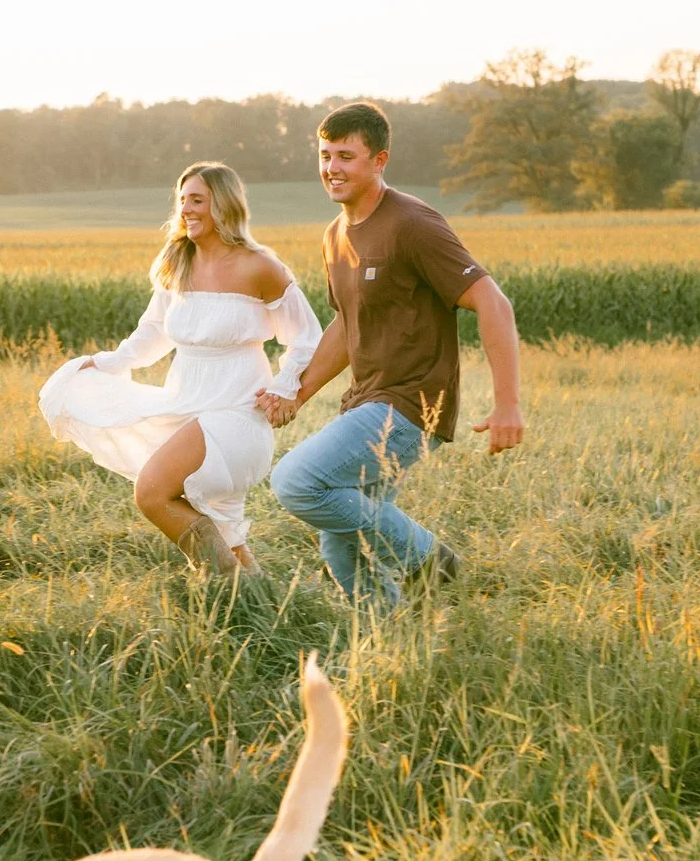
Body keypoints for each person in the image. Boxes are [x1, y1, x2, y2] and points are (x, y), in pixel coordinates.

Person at [260, 101, 524, 601]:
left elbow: (493, 302)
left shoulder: (412, 223)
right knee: (342, 549)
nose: (332, 168)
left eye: (346, 156)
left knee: (296, 482)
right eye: (324, 155)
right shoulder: (335, 235)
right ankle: (392, 643)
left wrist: (507, 403)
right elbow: (345, 322)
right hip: (366, 400)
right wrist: (297, 391)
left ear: (378, 161)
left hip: (411, 404)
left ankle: (428, 559)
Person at [41, 162, 322, 574]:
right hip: (185, 406)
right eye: (182, 200)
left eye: (197, 200)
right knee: (229, 538)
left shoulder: (259, 266)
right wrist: (107, 362)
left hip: (238, 414)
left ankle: (219, 587)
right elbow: (153, 332)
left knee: (152, 493)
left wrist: (283, 387)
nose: (186, 209)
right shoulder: (179, 262)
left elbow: (307, 337)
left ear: (223, 206)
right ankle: (250, 604)